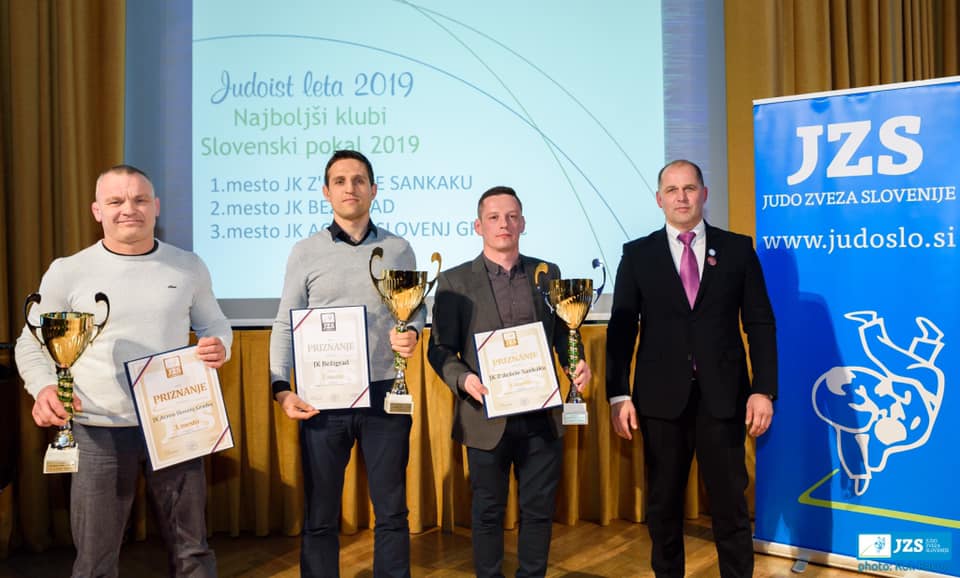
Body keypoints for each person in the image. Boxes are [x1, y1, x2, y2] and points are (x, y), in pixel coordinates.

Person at [16, 164, 231, 577]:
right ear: (97, 210)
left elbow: (216, 325)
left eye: (139, 199)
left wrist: (220, 345)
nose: (128, 208)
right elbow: (31, 342)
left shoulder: (188, 266)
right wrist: (44, 388)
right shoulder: (68, 270)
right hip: (97, 429)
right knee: (95, 561)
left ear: (156, 207)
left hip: (175, 424)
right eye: (115, 201)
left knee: (193, 552)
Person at [605, 160, 778, 578]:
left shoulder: (737, 250)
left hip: (724, 397)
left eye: (689, 188)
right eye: (672, 190)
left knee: (730, 507)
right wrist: (618, 394)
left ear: (704, 194)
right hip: (660, 401)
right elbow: (622, 330)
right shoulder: (637, 254)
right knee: (663, 507)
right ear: (659, 199)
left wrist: (763, 389)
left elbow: (759, 322)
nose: (681, 197)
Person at [270, 149, 422, 578]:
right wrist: (280, 387)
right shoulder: (305, 252)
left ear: (373, 190)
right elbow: (285, 322)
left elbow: (415, 309)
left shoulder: (399, 249)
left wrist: (412, 332)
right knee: (320, 513)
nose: (349, 188)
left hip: (385, 392)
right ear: (326, 192)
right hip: (323, 397)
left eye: (358, 180)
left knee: (392, 510)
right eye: (339, 181)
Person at [428, 186, 591, 578]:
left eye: (512, 216)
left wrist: (577, 362)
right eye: (494, 217)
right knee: (487, 512)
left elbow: (564, 334)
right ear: (478, 226)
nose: (504, 224)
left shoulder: (546, 274)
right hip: (485, 415)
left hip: (541, 415)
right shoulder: (453, 281)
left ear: (523, 223)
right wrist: (463, 379)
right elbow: (439, 349)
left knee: (539, 511)